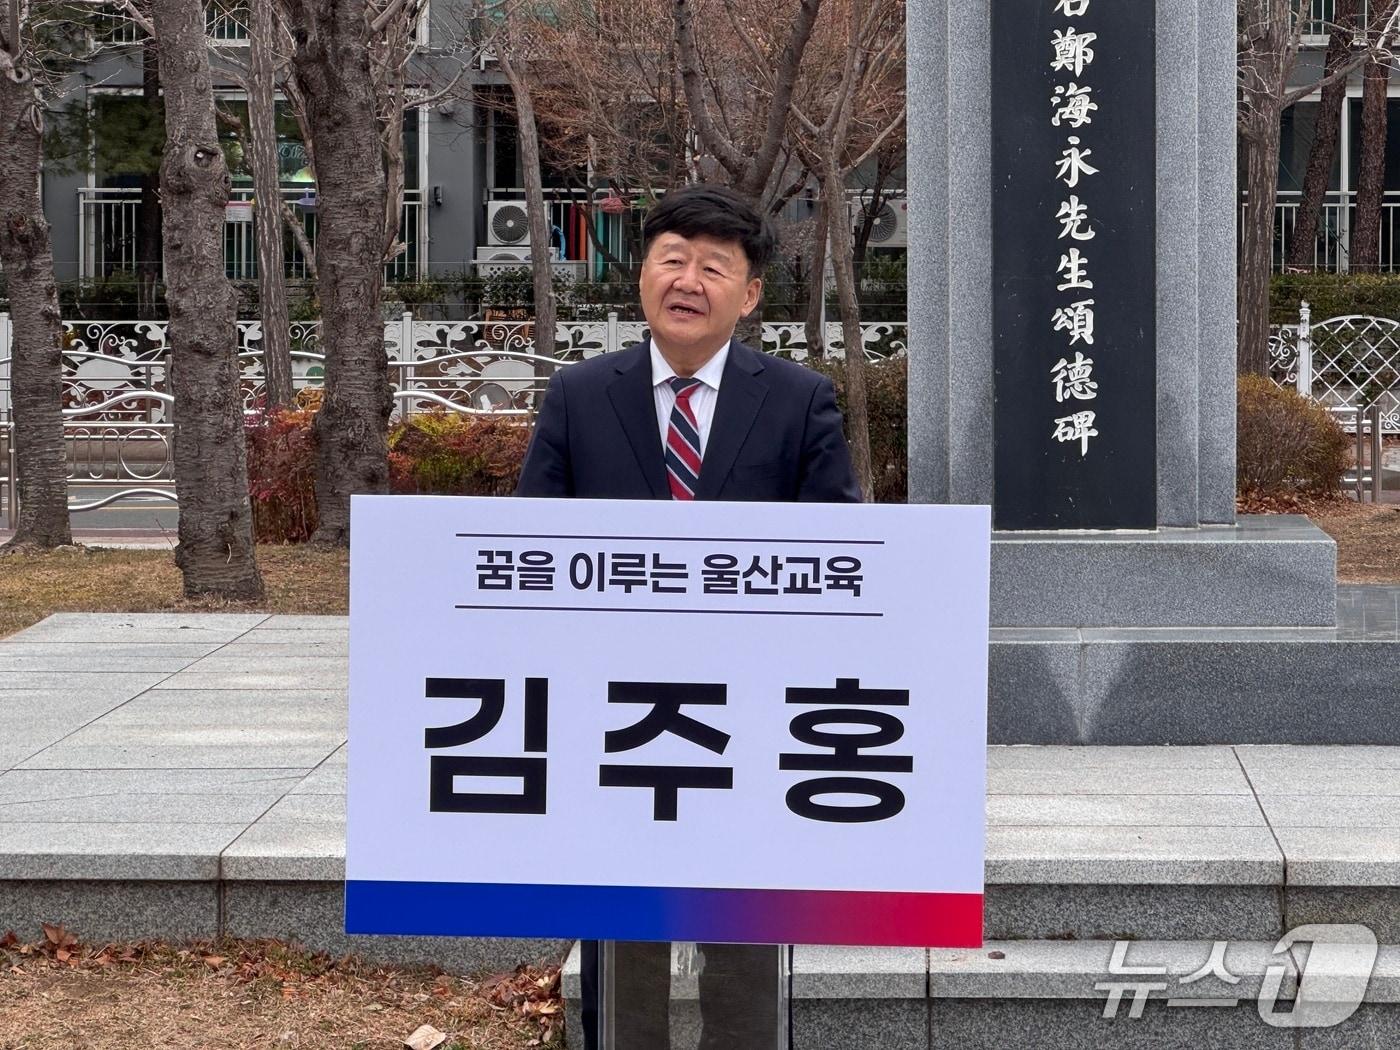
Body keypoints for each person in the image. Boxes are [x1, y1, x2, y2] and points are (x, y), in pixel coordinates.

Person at [516, 183, 861, 1049]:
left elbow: (836, 559)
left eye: (714, 266)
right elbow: (533, 550)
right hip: (614, 712)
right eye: (672, 259)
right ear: (642, 276)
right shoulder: (580, 396)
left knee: (740, 929)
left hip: (745, 713)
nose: (688, 279)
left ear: (747, 296)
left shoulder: (796, 400)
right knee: (625, 929)